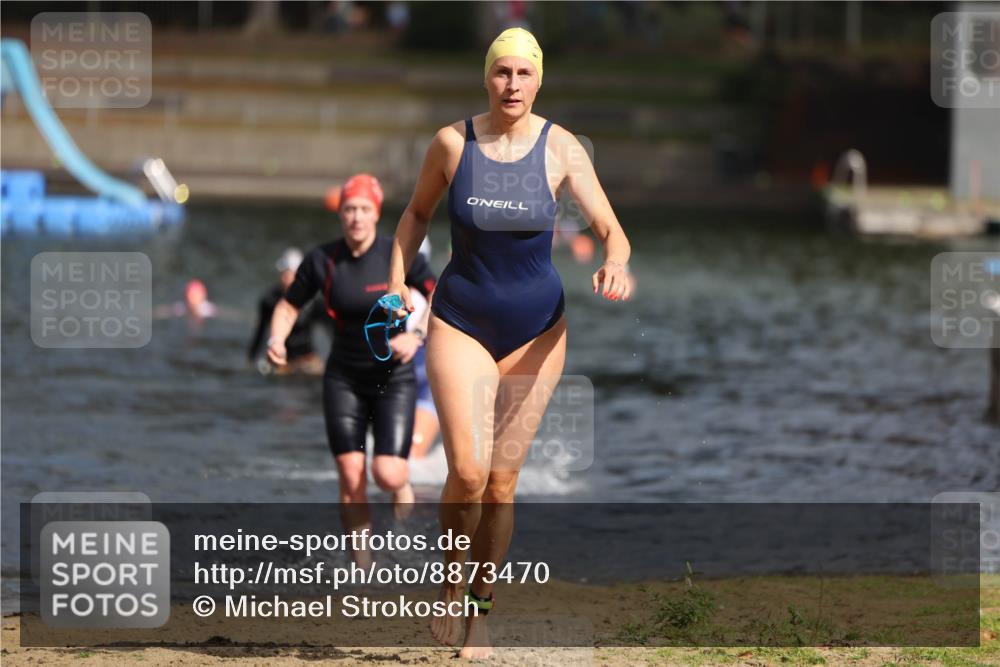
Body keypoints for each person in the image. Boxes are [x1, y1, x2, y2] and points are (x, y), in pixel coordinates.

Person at [384, 27, 632, 658]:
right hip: (460, 319)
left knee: (500, 483)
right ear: (487, 77)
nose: (512, 85)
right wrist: (394, 285)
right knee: (465, 472)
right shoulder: (451, 143)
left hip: (537, 333)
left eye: (523, 74)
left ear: (539, 80)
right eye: (502, 73)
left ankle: (480, 609)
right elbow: (415, 216)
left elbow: (610, 228)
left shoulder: (562, 149)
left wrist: (615, 261)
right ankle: (448, 587)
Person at [267, 174, 437, 561]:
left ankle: (402, 500)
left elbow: (438, 293)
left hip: (394, 377)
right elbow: (289, 305)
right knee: (350, 475)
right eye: (349, 209)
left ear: (375, 214)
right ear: (340, 214)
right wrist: (277, 339)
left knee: (389, 473)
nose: (356, 217)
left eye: (363, 209)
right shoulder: (322, 260)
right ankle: (361, 567)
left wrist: (419, 335)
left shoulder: (399, 253)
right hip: (343, 376)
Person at [247, 248, 325, 376]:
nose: (286, 277)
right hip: (283, 360)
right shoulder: (269, 300)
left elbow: (331, 328)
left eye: (291, 273)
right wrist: (251, 359)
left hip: (307, 358)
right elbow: (260, 332)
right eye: (284, 273)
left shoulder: (314, 301)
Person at [407, 238, 441, 458]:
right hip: (394, 385)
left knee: (413, 453)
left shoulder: (437, 298)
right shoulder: (384, 295)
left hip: (427, 387)